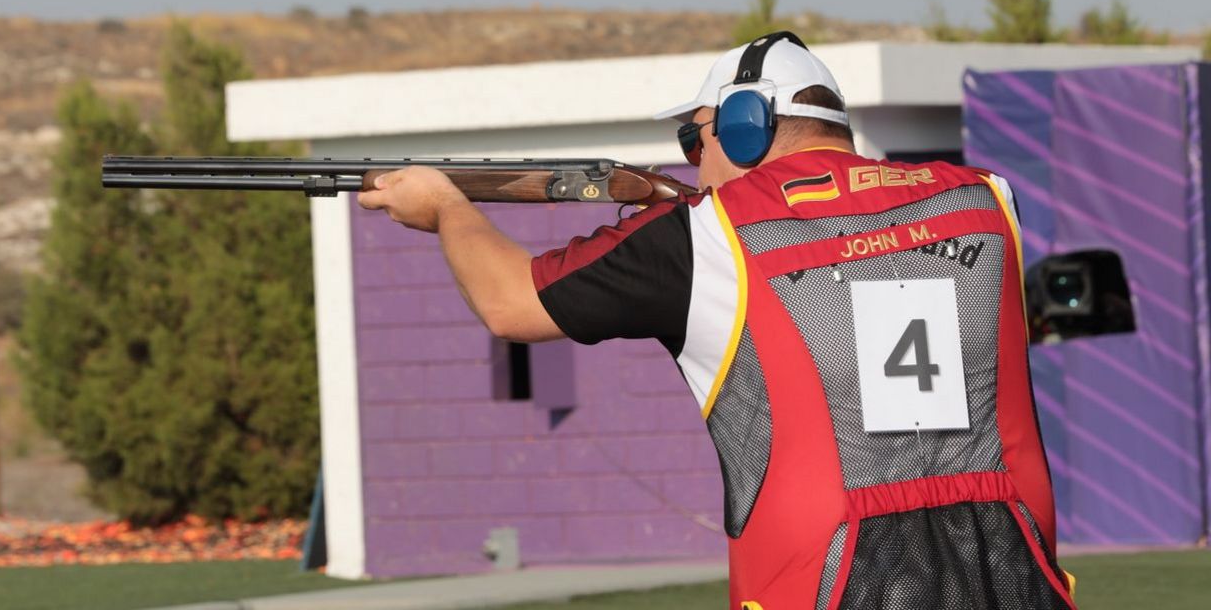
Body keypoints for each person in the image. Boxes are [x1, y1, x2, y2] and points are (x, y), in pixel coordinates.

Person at [357, 31, 1076, 610]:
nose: (694, 164)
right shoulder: (987, 200)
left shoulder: (706, 233)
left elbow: (508, 302)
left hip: (819, 584)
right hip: (1010, 574)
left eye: (696, 140)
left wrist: (447, 207)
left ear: (745, 124)